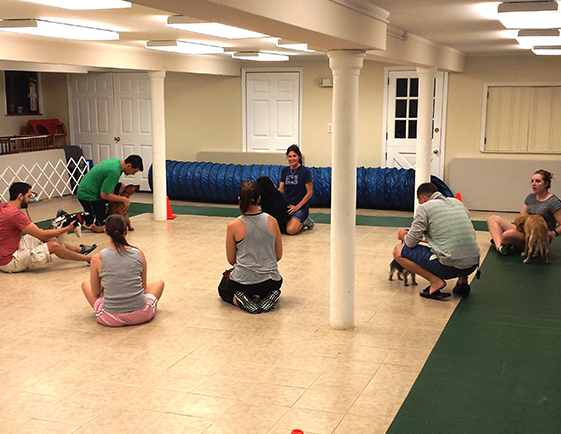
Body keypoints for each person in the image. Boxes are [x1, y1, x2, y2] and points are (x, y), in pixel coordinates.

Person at [393, 182, 480, 300]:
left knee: (398, 251)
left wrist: (403, 235)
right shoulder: (458, 203)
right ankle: (463, 281)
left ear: (422, 198)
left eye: (419, 201)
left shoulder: (424, 208)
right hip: (472, 265)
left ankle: (435, 282)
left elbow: (411, 242)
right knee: (459, 241)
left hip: (448, 268)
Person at [81, 214, 164, 327]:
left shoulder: (98, 258)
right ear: (126, 230)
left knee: (86, 284)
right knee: (159, 283)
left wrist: (107, 283)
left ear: (106, 232)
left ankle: (114, 305)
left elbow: (95, 291)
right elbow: (143, 288)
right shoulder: (139, 253)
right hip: (142, 315)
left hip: (110, 318)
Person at [219, 181, 283, 314]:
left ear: (239, 199)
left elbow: (231, 260)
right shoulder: (272, 221)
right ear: (259, 199)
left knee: (223, 289)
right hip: (271, 280)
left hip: (243, 282)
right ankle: (270, 295)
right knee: (271, 284)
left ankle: (239, 299)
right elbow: (278, 255)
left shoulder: (233, 225)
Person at [0, 182, 92, 273]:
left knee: (48, 237)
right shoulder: (15, 214)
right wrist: (68, 228)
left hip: (7, 250)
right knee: (53, 245)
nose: (30, 200)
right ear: (20, 196)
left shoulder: (3, 207)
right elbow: (42, 235)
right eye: (28, 196)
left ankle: (77, 250)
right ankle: (89, 259)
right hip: (9, 262)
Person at [488, 169, 561, 254]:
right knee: (492, 219)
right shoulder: (530, 197)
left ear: (546, 184)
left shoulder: (553, 202)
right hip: (524, 232)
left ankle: (504, 241)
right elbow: (521, 217)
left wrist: (554, 233)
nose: (534, 184)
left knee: (507, 235)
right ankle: (500, 247)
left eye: (538, 181)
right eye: (532, 181)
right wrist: (519, 225)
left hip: (537, 238)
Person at [77, 155, 143, 233]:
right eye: (134, 171)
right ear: (129, 165)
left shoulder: (116, 162)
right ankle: (80, 220)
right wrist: (124, 199)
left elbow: (110, 186)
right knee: (105, 226)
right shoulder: (114, 172)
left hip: (94, 187)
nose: (133, 174)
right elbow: (104, 195)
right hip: (88, 195)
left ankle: (109, 208)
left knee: (121, 186)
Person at [278, 144, 314, 235]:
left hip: (300, 207)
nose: (292, 159)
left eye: (294, 156)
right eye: (290, 156)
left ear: (299, 156)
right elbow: (281, 190)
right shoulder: (284, 171)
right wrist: (273, 192)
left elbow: (309, 193)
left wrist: (297, 207)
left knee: (290, 230)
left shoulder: (305, 171)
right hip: (287, 205)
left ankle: (304, 222)